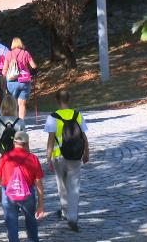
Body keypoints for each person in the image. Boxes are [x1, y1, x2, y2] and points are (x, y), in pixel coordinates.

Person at [44, 90, 89, 232]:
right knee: (74, 187)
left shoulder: (52, 117)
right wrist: (86, 152)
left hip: (59, 156)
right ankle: (72, 218)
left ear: (57, 100)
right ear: (69, 99)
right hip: (75, 155)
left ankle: (64, 212)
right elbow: (84, 136)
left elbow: (51, 139)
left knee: (61, 185)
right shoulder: (77, 115)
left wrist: (48, 157)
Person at [0, 131, 45, 242]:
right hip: (28, 194)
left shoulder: (5, 157)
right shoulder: (33, 158)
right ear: (27, 143)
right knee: (31, 221)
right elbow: (39, 183)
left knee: (11, 224)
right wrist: (41, 204)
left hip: (8, 194)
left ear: (14, 142)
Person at [1, 37, 38, 120]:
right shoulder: (26, 53)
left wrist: (3, 80)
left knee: (13, 104)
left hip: (12, 81)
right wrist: (31, 73)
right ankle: (21, 123)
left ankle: (13, 122)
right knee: (22, 104)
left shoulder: (9, 54)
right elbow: (34, 66)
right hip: (25, 81)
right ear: (21, 43)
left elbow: (4, 70)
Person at [0, 95, 26, 162]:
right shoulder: (20, 122)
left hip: (2, 154)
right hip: (17, 155)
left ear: (2, 107)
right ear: (15, 107)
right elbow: (25, 142)